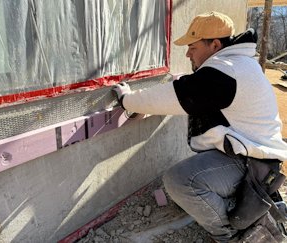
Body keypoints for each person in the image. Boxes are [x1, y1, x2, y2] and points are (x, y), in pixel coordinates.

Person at [112, 11, 287, 242]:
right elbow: (197, 90)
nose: (187, 53)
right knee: (195, 176)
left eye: (193, 48)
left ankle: (230, 235)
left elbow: (178, 96)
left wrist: (127, 100)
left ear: (214, 44)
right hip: (257, 159)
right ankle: (238, 204)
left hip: (252, 165)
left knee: (181, 180)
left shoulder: (225, 70)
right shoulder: (238, 65)